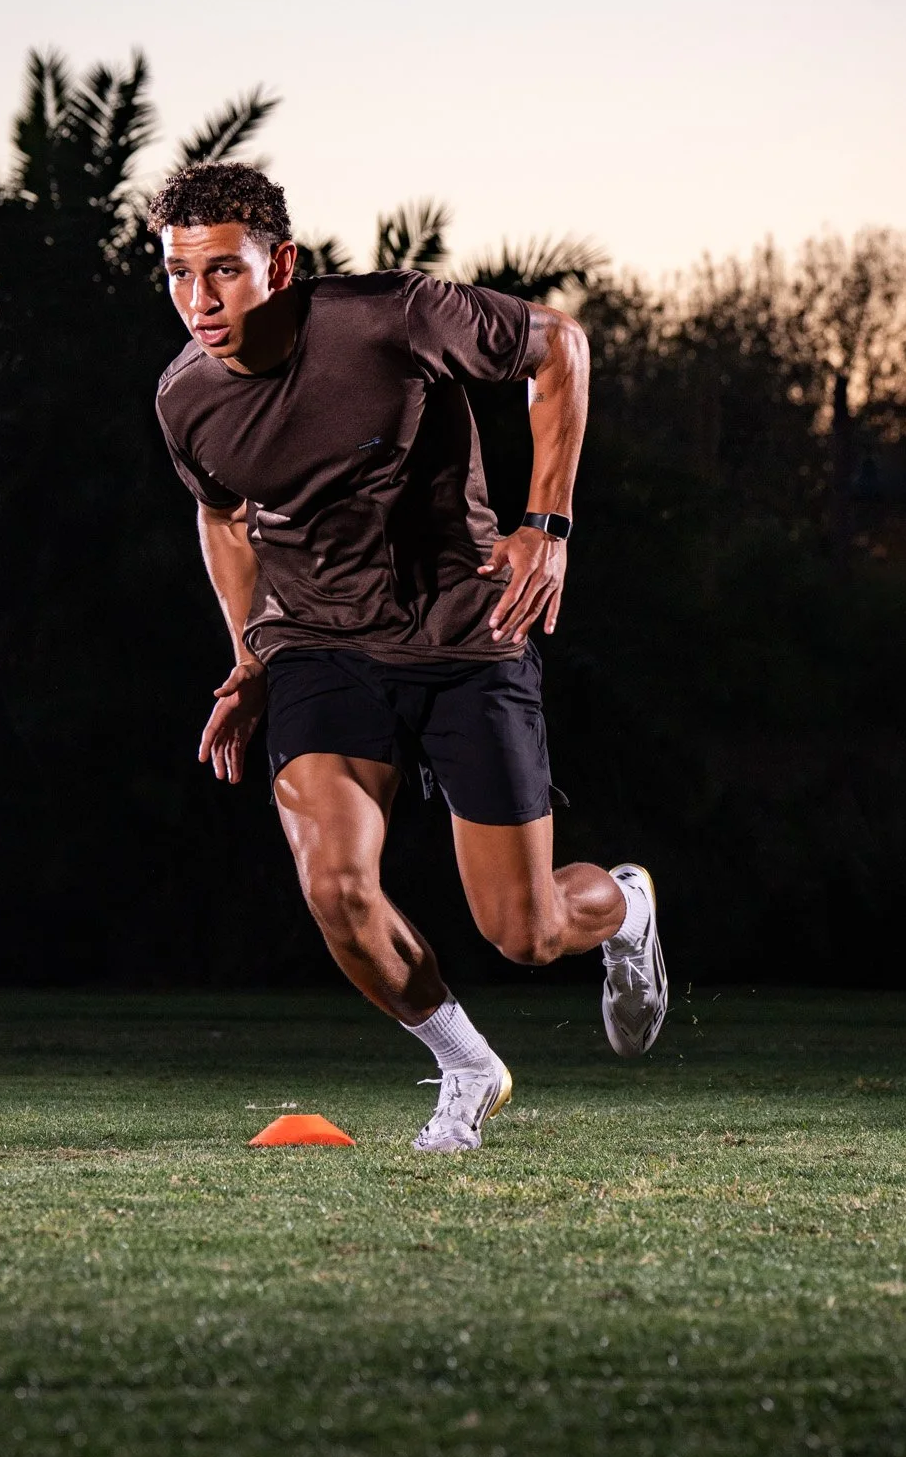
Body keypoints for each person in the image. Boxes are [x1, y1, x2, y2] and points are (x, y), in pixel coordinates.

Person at [150, 162, 666, 1153]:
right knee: (333, 886)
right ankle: (466, 1067)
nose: (197, 299)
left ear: (279, 265)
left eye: (222, 271)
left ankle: (625, 908)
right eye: (177, 274)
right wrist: (251, 655)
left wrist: (545, 524)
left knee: (524, 933)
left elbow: (559, 345)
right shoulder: (185, 400)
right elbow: (222, 517)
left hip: (465, 637)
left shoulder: (390, 317)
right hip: (319, 647)